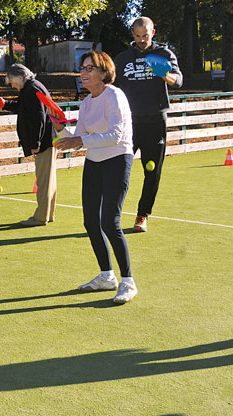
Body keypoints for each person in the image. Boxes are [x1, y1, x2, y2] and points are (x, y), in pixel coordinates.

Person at [53, 51, 138, 304]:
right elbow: (77, 140)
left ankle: (128, 281)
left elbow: (116, 135)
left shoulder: (115, 96)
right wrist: (59, 127)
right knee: (91, 221)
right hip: (94, 162)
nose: (84, 72)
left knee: (110, 222)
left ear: (104, 72)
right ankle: (106, 276)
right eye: (82, 68)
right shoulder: (87, 102)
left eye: (90, 68)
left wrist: (78, 139)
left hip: (118, 159)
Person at [113, 16, 183, 233]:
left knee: (152, 172)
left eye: (145, 35)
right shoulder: (123, 58)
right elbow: (111, 85)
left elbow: (179, 81)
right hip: (128, 123)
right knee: (118, 171)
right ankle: (111, 215)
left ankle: (142, 215)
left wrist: (165, 75)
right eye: (137, 36)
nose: (142, 40)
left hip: (154, 121)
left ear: (153, 32)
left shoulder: (164, 54)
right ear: (132, 35)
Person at [0, 63, 57, 226]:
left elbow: (38, 118)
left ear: (20, 77)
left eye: (12, 82)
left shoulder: (32, 89)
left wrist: (35, 142)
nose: (12, 85)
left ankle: (40, 218)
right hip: (49, 139)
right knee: (48, 179)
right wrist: (3, 103)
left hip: (44, 141)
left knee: (43, 180)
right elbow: (21, 106)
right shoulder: (31, 88)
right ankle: (48, 214)